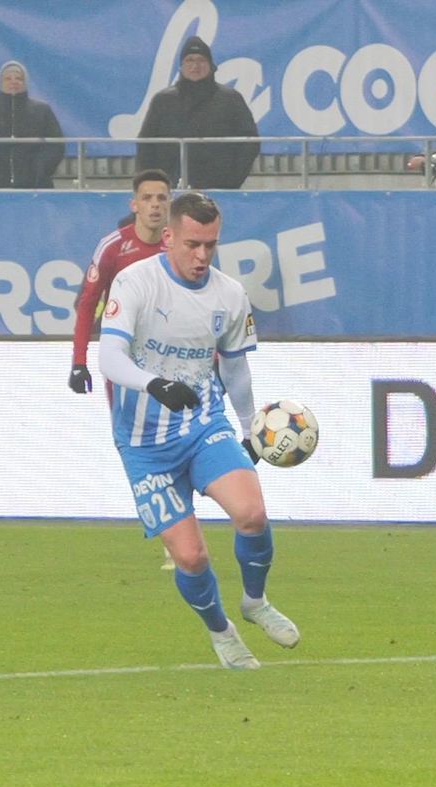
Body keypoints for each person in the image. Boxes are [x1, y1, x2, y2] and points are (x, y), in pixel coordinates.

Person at [97, 191, 299, 670]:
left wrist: (250, 428)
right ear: (168, 237)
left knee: (251, 513)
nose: (202, 255)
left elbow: (235, 368)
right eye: (192, 244)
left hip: (203, 423)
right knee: (190, 558)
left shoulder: (229, 294)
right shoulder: (135, 282)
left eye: (211, 245)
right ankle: (222, 632)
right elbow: (108, 357)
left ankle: (255, 601)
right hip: (144, 445)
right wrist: (154, 384)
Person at [70, 169, 172, 569]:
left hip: (171, 359)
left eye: (162, 198)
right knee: (134, 447)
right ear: (135, 205)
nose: (155, 205)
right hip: (124, 362)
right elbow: (86, 304)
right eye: (148, 198)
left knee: (172, 444)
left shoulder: (180, 246)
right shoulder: (114, 247)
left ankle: (174, 533)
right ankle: (167, 523)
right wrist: (79, 362)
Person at [136, 36, 258, 190]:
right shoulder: (163, 100)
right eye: (189, 60)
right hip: (170, 188)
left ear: (211, 65)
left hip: (220, 187)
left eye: (201, 60)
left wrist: (232, 179)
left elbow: (249, 142)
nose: (195, 66)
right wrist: (153, 182)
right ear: (181, 66)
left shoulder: (230, 99)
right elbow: (146, 144)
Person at [0, 60, 64, 189]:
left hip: (36, 186)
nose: (13, 82)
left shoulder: (42, 110)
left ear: (25, 82)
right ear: (0, 82)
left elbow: (56, 144)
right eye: (8, 78)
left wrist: (40, 168)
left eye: (18, 78)